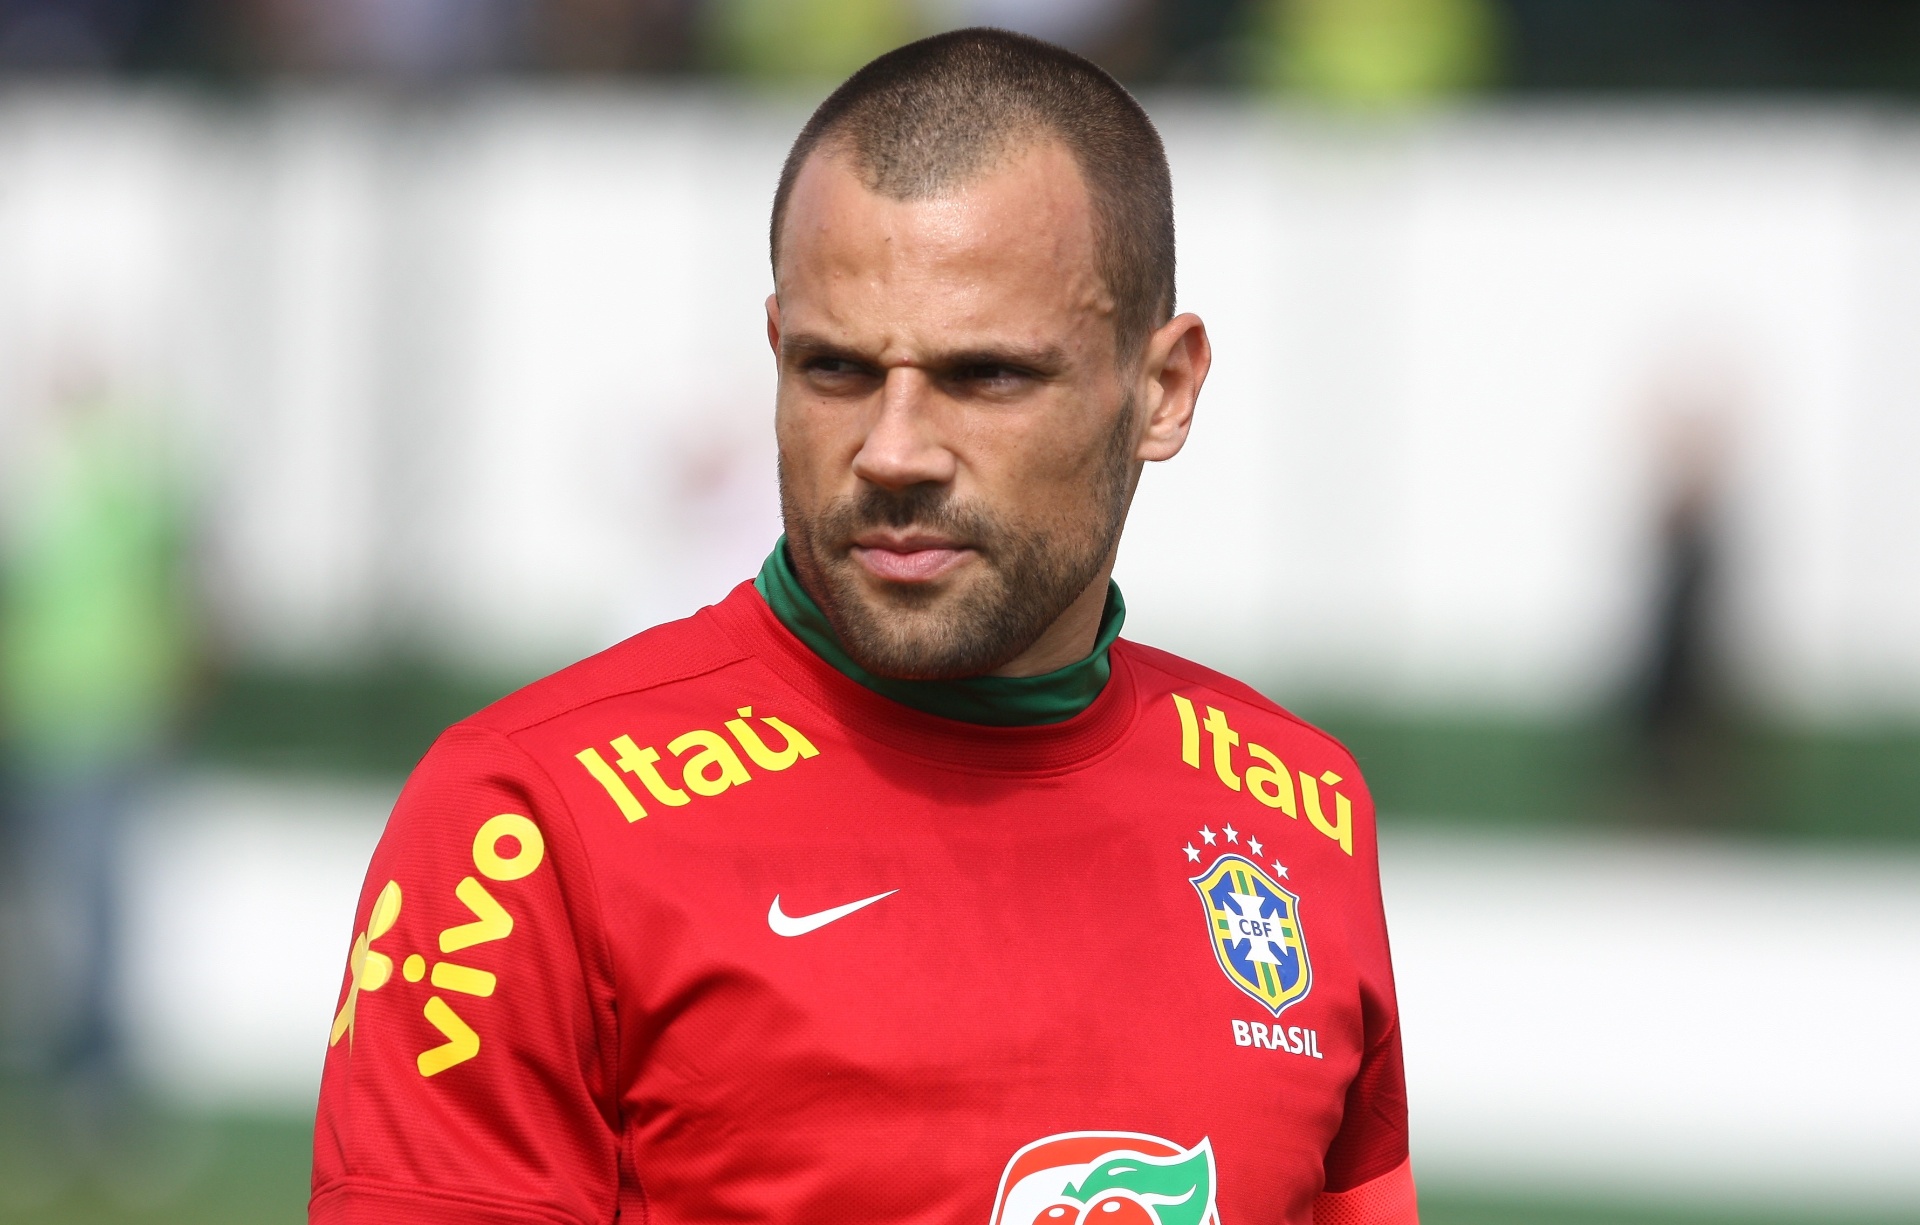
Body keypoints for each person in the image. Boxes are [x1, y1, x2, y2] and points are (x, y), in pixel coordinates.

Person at [311, 28, 1415, 1225]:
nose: (893, 450)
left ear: (1163, 390)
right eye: (836, 371)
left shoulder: (1297, 809)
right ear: (777, 350)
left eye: (985, 376)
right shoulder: (528, 821)